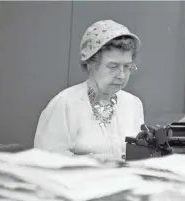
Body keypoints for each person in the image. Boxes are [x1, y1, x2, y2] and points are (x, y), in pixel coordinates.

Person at [34, 20, 144, 160]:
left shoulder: (133, 104)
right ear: (90, 63)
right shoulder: (65, 104)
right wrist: (95, 161)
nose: (121, 75)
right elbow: (44, 161)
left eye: (127, 67)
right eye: (113, 66)